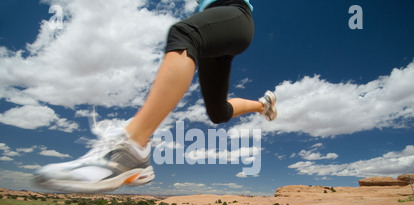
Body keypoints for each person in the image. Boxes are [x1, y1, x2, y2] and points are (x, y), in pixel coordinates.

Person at [34, 0, 277, 193]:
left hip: (234, 13)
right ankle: (262, 106)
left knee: (184, 34)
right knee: (218, 112)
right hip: (215, 33)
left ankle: (133, 146)